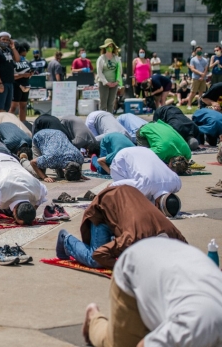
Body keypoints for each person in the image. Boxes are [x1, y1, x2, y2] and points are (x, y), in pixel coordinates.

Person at [82, 238, 222, 347]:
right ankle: (93, 319)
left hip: (172, 259)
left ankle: (156, 330)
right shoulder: (193, 329)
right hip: (135, 267)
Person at [56, 185, 186, 269]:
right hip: (104, 209)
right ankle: (65, 238)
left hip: (125, 199)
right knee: (95, 261)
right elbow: (99, 254)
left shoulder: (172, 233)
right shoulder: (133, 237)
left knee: (125, 251)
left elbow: (188, 253)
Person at [110, 147, 182, 214]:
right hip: (122, 158)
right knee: (128, 199)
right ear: (156, 205)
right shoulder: (144, 186)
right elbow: (113, 186)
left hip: (146, 150)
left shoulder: (177, 183)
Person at [0, 32, 20, 114]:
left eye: (7, 40)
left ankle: (3, 125)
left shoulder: (8, 50)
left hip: (9, 82)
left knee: (6, 108)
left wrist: (13, 47)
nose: (5, 41)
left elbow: (17, 59)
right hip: (0, 83)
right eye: (3, 39)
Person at [96, 39, 122, 112]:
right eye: (108, 46)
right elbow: (99, 71)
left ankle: (110, 118)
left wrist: (117, 82)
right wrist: (106, 82)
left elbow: (120, 71)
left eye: (111, 46)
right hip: (103, 83)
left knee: (111, 103)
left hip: (114, 83)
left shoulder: (116, 58)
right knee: (103, 103)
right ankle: (102, 119)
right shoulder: (101, 58)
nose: (110, 48)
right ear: (105, 47)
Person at [10, 42, 33, 122]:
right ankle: (9, 123)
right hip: (16, 85)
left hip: (26, 85)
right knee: (13, 107)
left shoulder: (26, 61)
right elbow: (11, 76)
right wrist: (23, 75)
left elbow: (28, 73)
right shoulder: (13, 62)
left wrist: (30, 73)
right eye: (25, 50)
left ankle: (23, 123)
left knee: (23, 106)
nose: (26, 53)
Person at [188, 46, 209, 110]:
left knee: (201, 93)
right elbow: (192, 69)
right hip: (195, 78)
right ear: (195, 51)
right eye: (198, 50)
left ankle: (199, 105)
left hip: (203, 79)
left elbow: (206, 69)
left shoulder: (205, 60)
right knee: (193, 92)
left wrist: (202, 76)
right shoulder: (193, 59)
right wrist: (200, 74)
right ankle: (189, 104)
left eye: (200, 50)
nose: (199, 51)